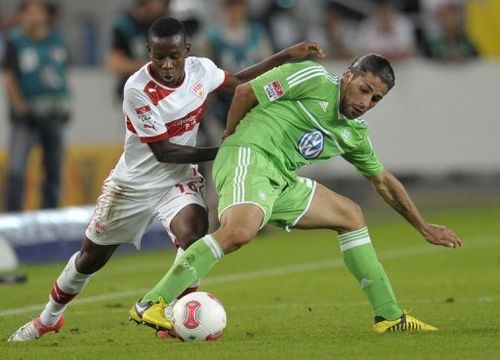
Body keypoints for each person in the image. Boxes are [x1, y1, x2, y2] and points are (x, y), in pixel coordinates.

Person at [7, 17, 325, 341]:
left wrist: (286, 55)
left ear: (186, 50)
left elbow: (241, 81)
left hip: (177, 181)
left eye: (174, 56)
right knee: (91, 258)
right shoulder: (137, 89)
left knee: (195, 233)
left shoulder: (202, 70)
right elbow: (164, 151)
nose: (167, 64)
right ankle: (49, 318)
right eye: (159, 57)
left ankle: (172, 312)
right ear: (149, 52)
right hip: (132, 185)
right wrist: (224, 149)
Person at [126, 53, 463, 334]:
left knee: (350, 215)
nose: (366, 102)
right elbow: (245, 92)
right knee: (240, 231)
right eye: (364, 89)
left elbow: (384, 182)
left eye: (376, 98)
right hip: (250, 154)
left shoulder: (352, 133)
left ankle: (389, 316)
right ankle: (151, 303)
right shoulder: (314, 78)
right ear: (347, 76)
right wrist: (233, 139)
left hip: (280, 177)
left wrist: (422, 226)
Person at [2, 0, 70, 212]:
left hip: (53, 113)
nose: (33, 17)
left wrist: (65, 102)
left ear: (44, 15)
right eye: (29, 12)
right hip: (26, 118)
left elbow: (62, 73)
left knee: (53, 169)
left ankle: (49, 216)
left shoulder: (57, 41)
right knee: (16, 170)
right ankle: (13, 218)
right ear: (21, 16)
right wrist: (21, 108)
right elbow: (10, 78)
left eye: (37, 12)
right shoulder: (15, 42)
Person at [105, 0, 169, 103]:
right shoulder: (126, 25)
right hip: (135, 93)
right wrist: (150, 66)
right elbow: (114, 64)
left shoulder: (166, 22)